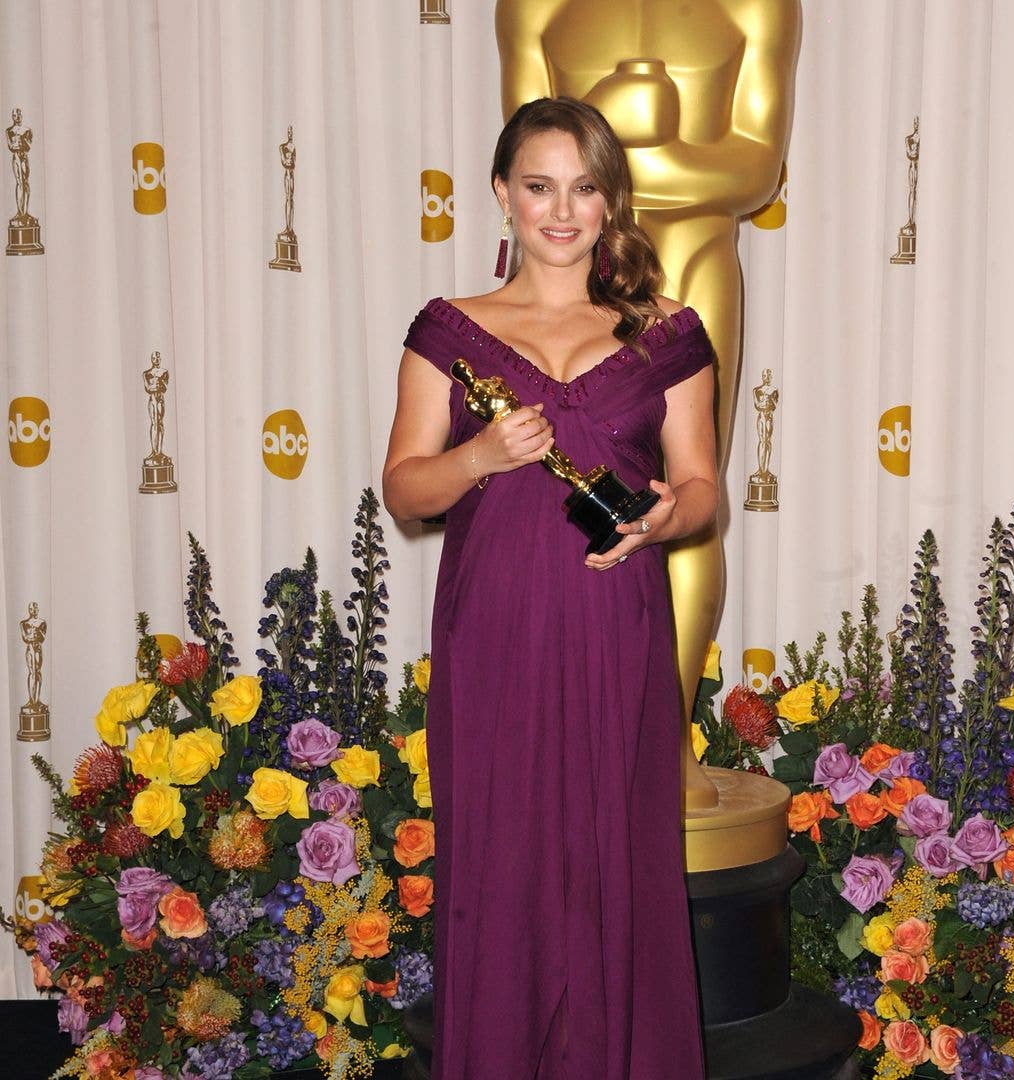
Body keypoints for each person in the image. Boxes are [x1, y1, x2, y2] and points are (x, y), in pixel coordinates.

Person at [382, 97, 717, 1080]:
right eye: (539, 187)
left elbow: (700, 488)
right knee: (502, 866)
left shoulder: (669, 338)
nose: (561, 211)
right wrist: (481, 453)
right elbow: (406, 489)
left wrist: (669, 516)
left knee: (616, 863)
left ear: (611, 201)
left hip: (617, 628)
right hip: (494, 634)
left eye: (583, 188)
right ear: (502, 194)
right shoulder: (449, 331)